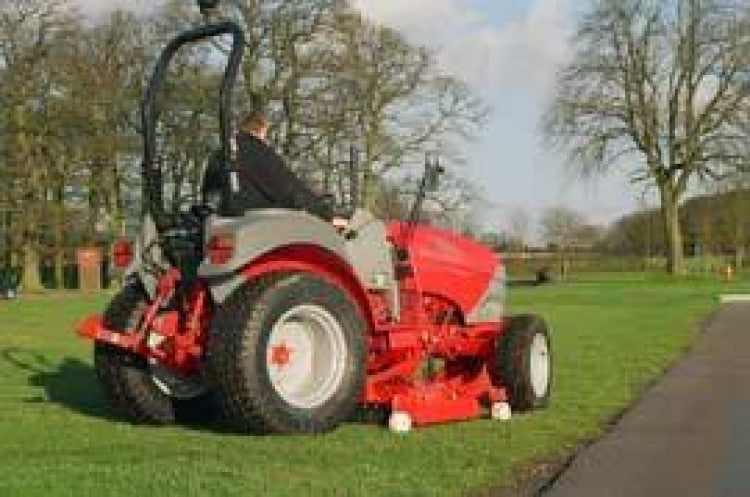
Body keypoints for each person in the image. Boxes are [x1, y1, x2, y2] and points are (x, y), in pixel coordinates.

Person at [202, 110, 335, 221]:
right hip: (260, 222)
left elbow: (209, 193)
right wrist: (324, 212)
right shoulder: (256, 151)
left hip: (224, 220)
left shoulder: (221, 153)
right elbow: (287, 190)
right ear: (261, 129)